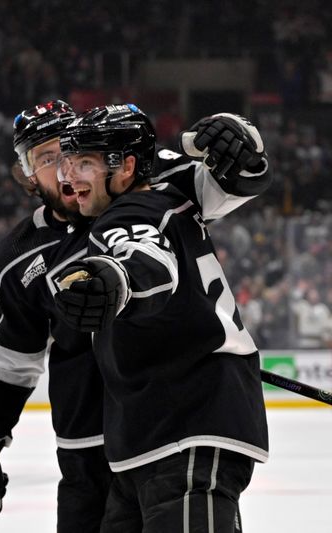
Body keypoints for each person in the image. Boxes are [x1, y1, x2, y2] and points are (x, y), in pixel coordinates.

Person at [0, 101, 273, 532]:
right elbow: (12, 360)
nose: (64, 170)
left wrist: (238, 143)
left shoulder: (147, 188)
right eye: (46, 159)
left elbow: (230, 184)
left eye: (72, 154)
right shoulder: (18, 256)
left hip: (172, 421)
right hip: (96, 445)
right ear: (27, 175)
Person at [53, 105, 269, 531]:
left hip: (187, 421)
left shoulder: (128, 213)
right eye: (66, 162)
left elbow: (150, 264)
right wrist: (244, 141)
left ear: (127, 166)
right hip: (150, 435)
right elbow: (243, 174)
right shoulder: (167, 189)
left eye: (84, 164)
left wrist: (117, 281)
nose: (68, 178)